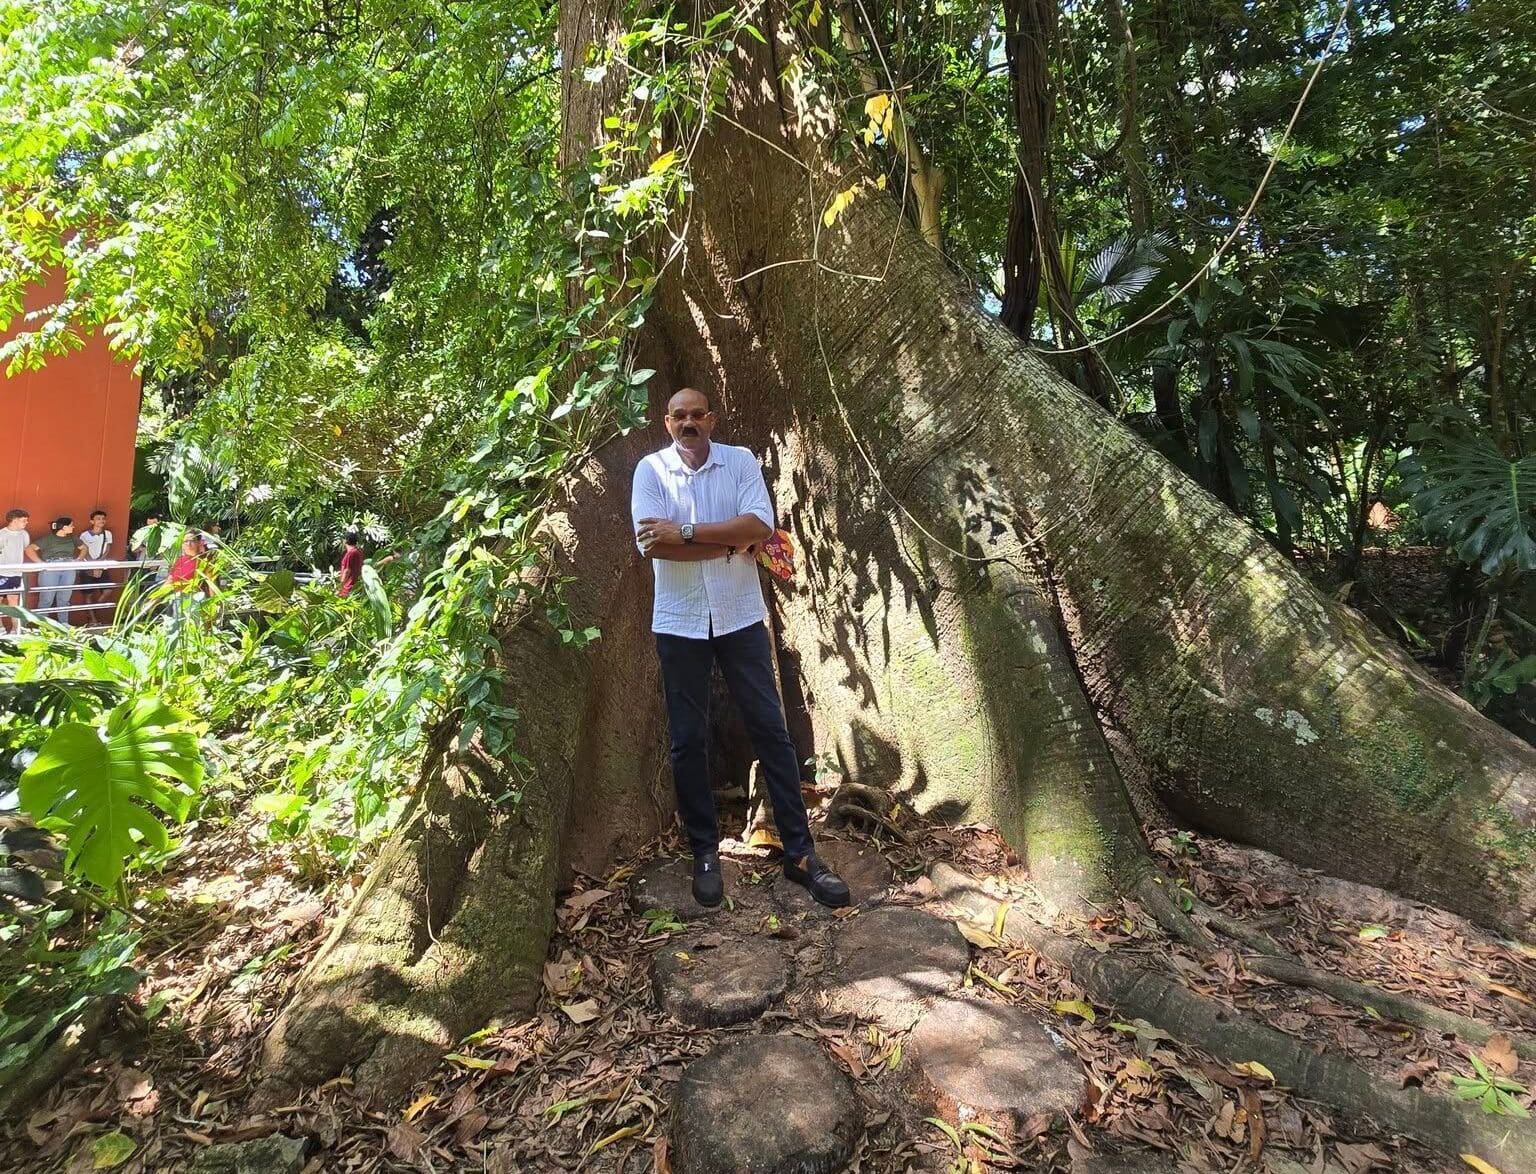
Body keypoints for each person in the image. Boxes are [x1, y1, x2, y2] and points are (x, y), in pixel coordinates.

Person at [631, 386, 849, 909]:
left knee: (771, 731)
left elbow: (760, 525)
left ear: (711, 419)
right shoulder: (650, 470)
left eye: (697, 415)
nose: (688, 422)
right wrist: (729, 542)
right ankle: (705, 851)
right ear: (667, 422)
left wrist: (685, 530)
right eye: (678, 415)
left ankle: (800, 853)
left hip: (740, 616)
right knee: (686, 740)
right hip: (680, 621)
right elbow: (651, 545)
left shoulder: (740, 462)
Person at [28, 517, 84, 623]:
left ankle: (64, 624)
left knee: (65, 597)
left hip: (68, 568)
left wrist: (78, 559)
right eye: (71, 525)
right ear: (64, 527)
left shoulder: (72, 538)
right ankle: (43, 626)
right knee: (47, 598)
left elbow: (84, 548)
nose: (73, 527)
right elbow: (29, 549)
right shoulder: (48, 539)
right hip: (51, 568)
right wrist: (41, 564)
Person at [1, 508, 35, 633]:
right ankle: (1, 629)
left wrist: (40, 564)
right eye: (23, 520)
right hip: (2, 573)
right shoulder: (2, 534)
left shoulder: (24, 534)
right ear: (14, 521)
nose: (26, 522)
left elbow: (27, 549)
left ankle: (16, 629)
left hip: (16, 574)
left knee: (14, 604)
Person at [78, 509, 114, 622]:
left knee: (108, 590)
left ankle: (94, 608)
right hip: (87, 567)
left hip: (102, 566)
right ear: (91, 521)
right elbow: (85, 551)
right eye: (98, 519)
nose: (101, 521)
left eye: (103, 519)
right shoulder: (84, 535)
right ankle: (93, 619)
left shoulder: (107, 534)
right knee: (88, 594)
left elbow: (107, 549)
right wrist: (93, 566)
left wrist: (99, 564)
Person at [338, 530, 364, 597]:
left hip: (348, 588)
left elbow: (347, 571)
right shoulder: (359, 551)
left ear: (345, 541)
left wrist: (340, 587)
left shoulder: (350, 553)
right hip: (357, 586)